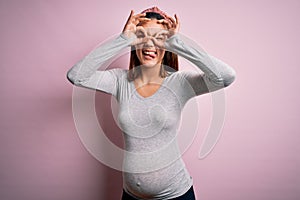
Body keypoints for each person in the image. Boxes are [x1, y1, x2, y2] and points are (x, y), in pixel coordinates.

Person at [66, 6, 236, 200]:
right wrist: (122, 39)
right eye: (142, 36)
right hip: (131, 196)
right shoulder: (120, 81)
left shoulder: (179, 82)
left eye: (159, 38)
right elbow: (76, 76)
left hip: (176, 196)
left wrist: (178, 43)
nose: (149, 44)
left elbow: (226, 76)